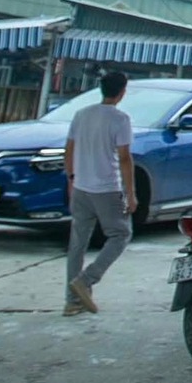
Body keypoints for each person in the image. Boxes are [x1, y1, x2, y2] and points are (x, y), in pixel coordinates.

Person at [62, 69, 136, 316]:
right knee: (121, 234)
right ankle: (86, 280)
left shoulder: (81, 114)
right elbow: (124, 158)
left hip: (81, 187)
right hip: (106, 189)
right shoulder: (120, 119)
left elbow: (69, 149)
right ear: (122, 92)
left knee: (77, 244)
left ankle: (72, 302)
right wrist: (131, 194)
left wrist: (71, 178)